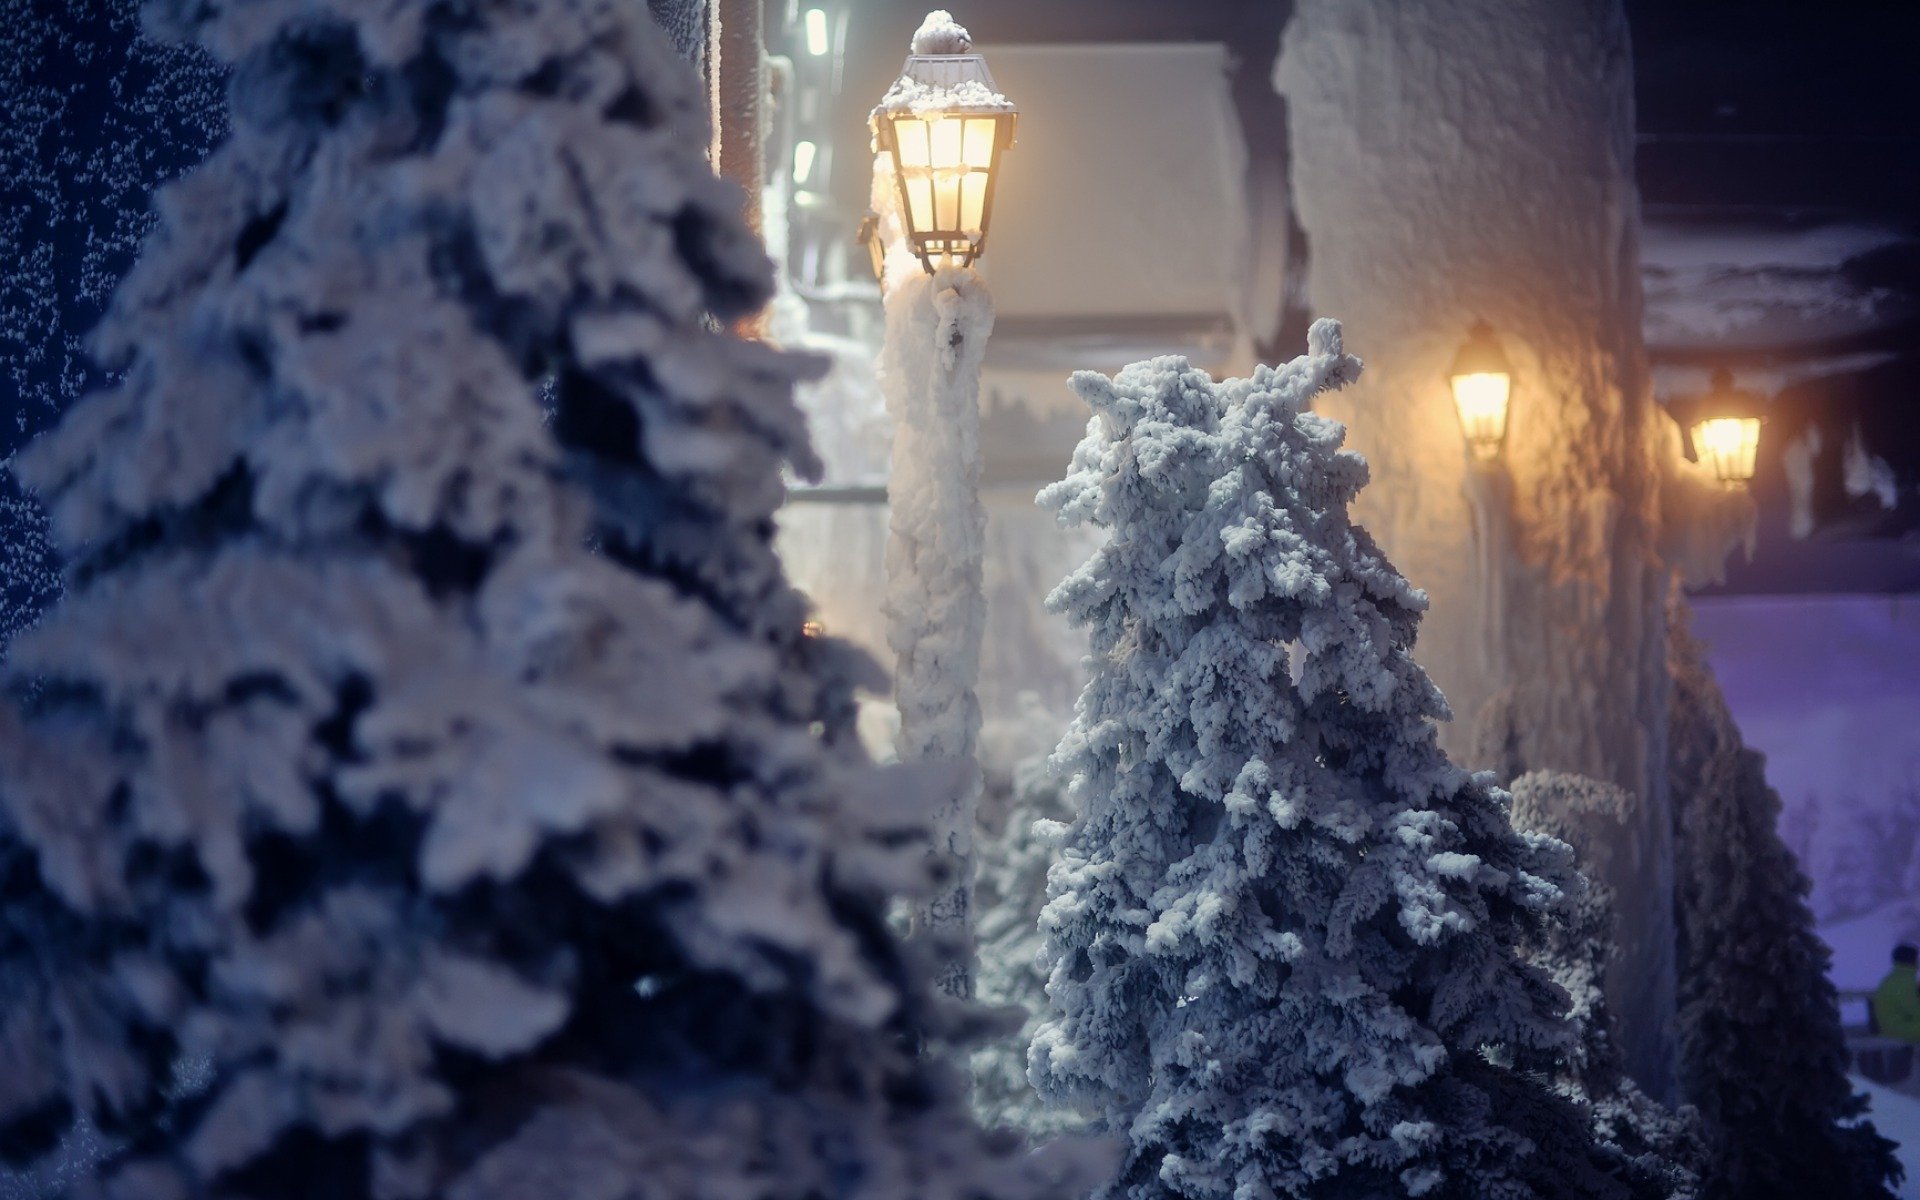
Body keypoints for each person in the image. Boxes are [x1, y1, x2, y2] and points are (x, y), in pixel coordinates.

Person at [1871, 944, 1920, 1043]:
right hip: (1900, 1029)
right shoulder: (1905, 981)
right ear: (1912, 960)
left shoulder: (1892, 978)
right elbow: (1913, 1009)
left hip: (1891, 1027)